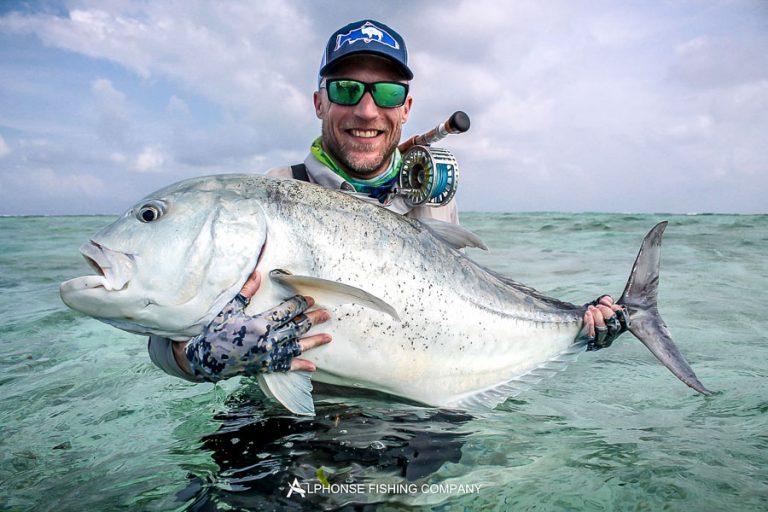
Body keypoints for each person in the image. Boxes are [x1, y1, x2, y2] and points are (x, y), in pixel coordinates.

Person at [147, 19, 626, 385]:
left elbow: (457, 313)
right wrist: (202, 358)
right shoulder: (274, 194)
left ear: (406, 109)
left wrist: (576, 323)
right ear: (320, 102)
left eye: (388, 92)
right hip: (289, 412)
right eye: (346, 89)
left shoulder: (432, 201)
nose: (367, 110)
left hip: (409, 411)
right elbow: (163, 331)